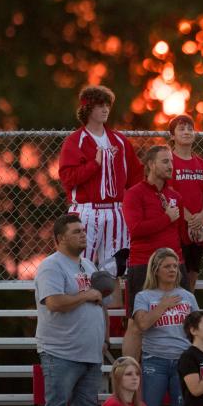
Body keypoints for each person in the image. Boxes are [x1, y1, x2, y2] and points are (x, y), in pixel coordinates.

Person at [34, 214, 108, 406]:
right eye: (76, 231)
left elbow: (102, 301)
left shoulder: (88, 265)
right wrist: (86, 295)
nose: (82, 234)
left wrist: (104, 335)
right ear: (59, 238)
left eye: (83, 230)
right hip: (61, 352)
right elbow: (54, 302)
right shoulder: (51, 265)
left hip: (90, 352)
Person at [59, 85, 143, 273]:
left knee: (116, 267)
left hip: (116, 210)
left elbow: (136, 177)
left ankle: (112, 303)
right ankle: (83, 301)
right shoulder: (75, 141)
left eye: (107, 105)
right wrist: (94, 165)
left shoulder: (119, 141)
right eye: (100, 105)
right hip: (86, 211)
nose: (105, 109)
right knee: (81, 265)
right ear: (88, 109)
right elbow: (67, 178)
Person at [122, 145, 187, 359]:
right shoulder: (134, 194)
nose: (171, 165)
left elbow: (178, 233)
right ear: (150, 164)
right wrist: (166, 218)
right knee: (136, 323)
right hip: (143, 265)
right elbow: (136, 230)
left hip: (174, 265)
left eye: (171, 161)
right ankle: (130, 373)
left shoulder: (175, 195)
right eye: (165, 161)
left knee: (180, 316)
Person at [133, 247, 198, 406]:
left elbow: (198, 328)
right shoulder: (143, 296)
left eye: (175, 266)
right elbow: (143, 324)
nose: (172, 270)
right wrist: (163, 305)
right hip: (154, 360)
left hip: (183, 360)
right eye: (167, 266)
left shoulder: (188, 296)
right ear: (155, 270)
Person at [168, 114, 203, 291]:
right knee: (175, 273)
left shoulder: (201, 164)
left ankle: (188, 312)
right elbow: (170, 193)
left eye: (190, 128)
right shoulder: (169, 162)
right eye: (181, 129)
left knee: (192, 274)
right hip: (178, 225)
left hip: (197, 228)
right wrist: (190, 219)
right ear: (172, 136)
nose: (187, 132)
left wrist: (201, 217)